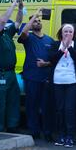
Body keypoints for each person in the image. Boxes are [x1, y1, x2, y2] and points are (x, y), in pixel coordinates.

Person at [0, 0, 24, 133]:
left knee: (13, 100)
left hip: (10, 73)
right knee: (0, 102)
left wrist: (20, 9)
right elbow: (4, 20)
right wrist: (13, 4)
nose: (3, 20)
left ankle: (12, 125)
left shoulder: (6, 34)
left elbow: (18, 22)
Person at [18, 9, 55, 141]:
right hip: (32, 77)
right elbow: (23, 32)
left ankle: (48, 132)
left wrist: (46, 63)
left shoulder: (49, 40)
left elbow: (55, 59)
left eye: (39, 20)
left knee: (46, 107)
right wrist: (36, 14)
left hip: (45, 78)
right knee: (32, 105)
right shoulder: (28, 38)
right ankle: (34, 131)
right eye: (34, 21)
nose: (37, 22)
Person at [49, 24, 76, 148]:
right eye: (65, 31)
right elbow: (52, 59)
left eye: (70, 31)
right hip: (58, 81)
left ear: (74, 34)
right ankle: (61, 135)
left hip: (72, 82)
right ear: (61, 33)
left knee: (69, 109)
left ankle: (70, 136)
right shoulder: (55, 44)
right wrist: (62, 48)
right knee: (60, 109)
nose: (68, 34)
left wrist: (69, 47)